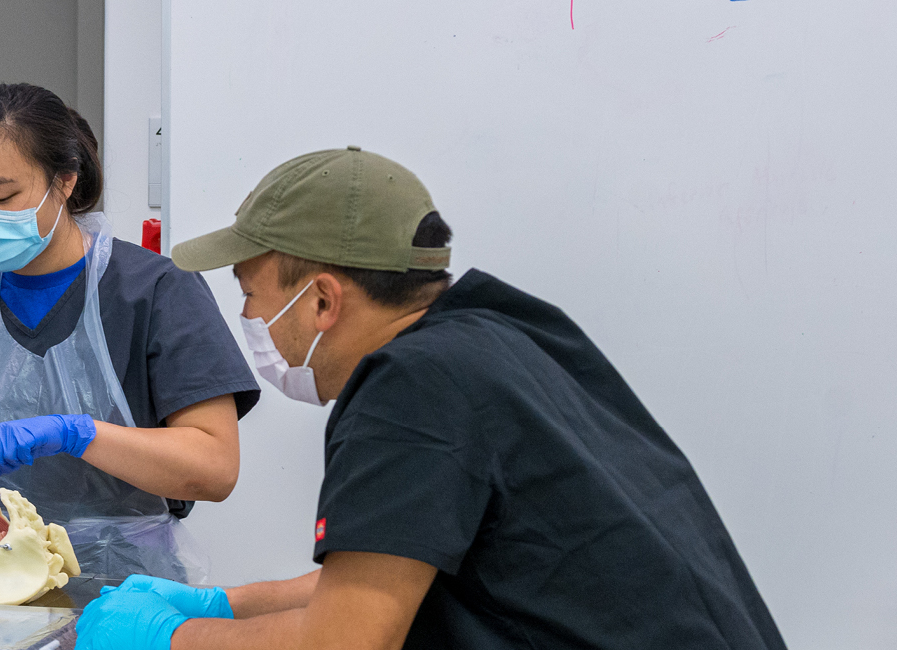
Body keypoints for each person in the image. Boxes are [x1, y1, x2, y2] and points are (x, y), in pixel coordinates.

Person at [75, 147, 786, 649]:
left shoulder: (409, 390)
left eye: (251, 293)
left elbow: (346, 641)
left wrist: (170, 640)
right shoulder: (497, 335)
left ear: (321, 298)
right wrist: (220, 604)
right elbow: (382, 579)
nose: (251, 320)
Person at [0, 83, 260, 581]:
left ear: (64, 182)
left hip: (127, 591)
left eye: (3, 194)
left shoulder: (156, 293)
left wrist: (78, 434)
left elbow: (214, 469)